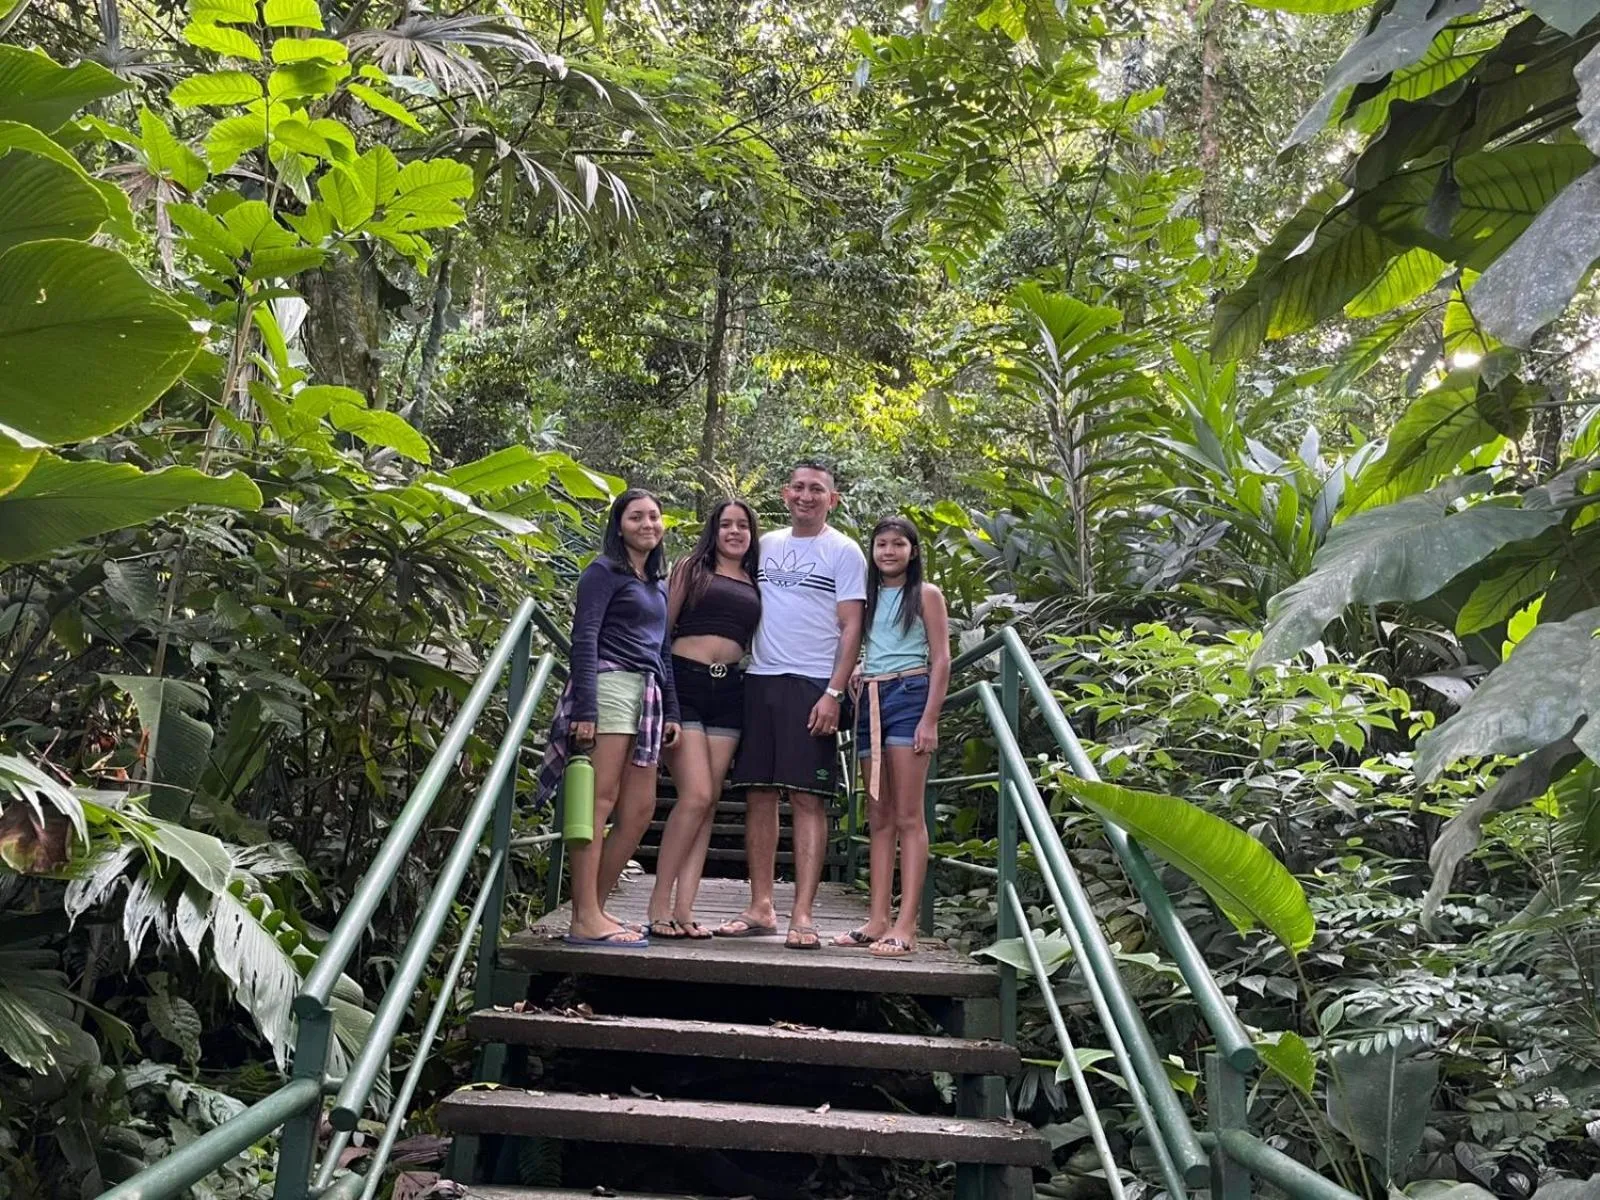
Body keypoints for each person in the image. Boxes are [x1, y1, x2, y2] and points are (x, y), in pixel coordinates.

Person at [716, 461, 866, 950]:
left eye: (817, 489)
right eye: (799, 488)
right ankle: (761, 906)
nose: (806, 496)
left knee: (807, 797)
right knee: (758, 793)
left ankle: (803, 913)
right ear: (785, 494)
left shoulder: (844, 551)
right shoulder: (766, 545)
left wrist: (834, 692)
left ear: (832, 498)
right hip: (759, 679)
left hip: (812, 684)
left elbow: (851, 627)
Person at [536, 489, 680, 948]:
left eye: (654, 516)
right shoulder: (602, 572)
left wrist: (672, 708)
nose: (647, 524)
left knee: (639, 810)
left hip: (648, 694)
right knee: (600, 803)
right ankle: (584, 917)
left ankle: (593, 907)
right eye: (636, 516)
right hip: (610, 684)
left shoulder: (657, 582)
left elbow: (662, 650)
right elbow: (585, 637)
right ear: (619, 525)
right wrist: (586, 708)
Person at [646, 499, 762, 939]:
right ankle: (658, 903)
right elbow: (661, 632)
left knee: (710, 801)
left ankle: (685, 909)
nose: (734, 531)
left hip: (730, 688)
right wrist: (666, 700)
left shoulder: (755, 578)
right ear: (713, 530)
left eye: (743, 525)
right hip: (686, 683)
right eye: (726, 524)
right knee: (694, 795)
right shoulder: (690, 568)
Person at [834, 516, 949, 957]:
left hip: (909, 695)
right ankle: (878, 918)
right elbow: (863, 643)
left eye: (897, 544)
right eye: (881, 544)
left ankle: (906, 925)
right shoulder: (867, 597)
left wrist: (930, 718)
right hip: (870, 701)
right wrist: (859, 670)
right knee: (878, 816)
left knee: (907, 816)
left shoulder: (925, 595)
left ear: (912, 551)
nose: (888, 552)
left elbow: (941, 660)